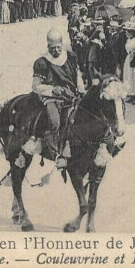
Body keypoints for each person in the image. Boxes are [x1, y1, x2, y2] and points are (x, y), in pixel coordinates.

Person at [32, 28, 85, 169]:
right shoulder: (42, 62)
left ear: (62, 44)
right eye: (52, 48)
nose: (55, 50)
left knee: (74, 121)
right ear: (48, 46)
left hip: (70, 96)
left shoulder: (71, 57)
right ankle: (55, 153)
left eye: (58, 47)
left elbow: (78, 75)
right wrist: (52, 90)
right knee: (54, 122)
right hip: (51, 98)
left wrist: (81, 89)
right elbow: (36, 86)